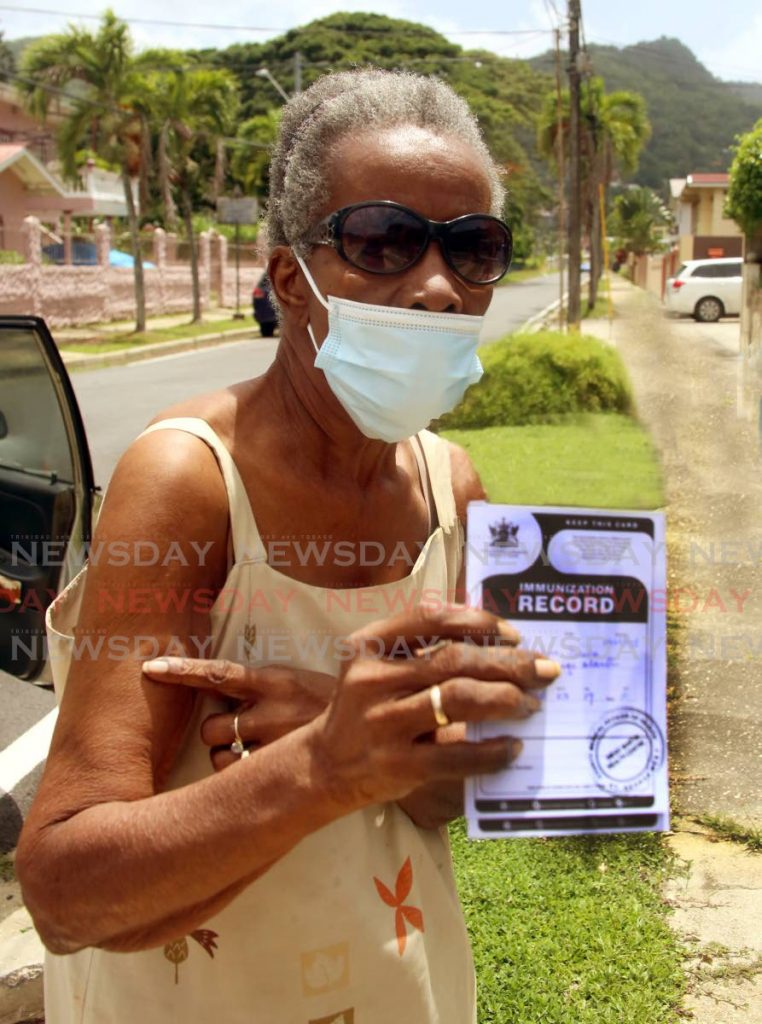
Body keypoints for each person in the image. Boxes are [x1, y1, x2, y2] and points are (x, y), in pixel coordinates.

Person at [17, 69, 559, 1023]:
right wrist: (325, 764)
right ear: (287, 279)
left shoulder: (454, 490)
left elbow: (437, 803)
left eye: (473, 248)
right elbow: (66, 894)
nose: (436, 287)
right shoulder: (188, 484)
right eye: (383, 240)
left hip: (400, 987)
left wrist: (348, 728)